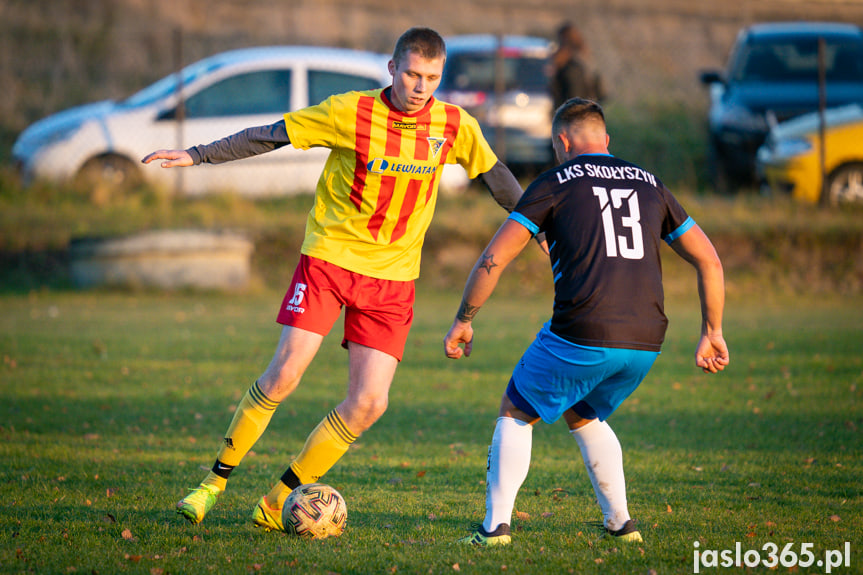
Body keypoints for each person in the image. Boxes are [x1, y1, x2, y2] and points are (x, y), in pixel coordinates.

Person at [142, 27, 535, 532]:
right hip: (330, 260)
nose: (421, 87)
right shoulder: (349, 110)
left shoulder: (453, 123)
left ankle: (275, 501)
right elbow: (271, 134)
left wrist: (534, 224)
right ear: (392, 69)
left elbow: (496, 175)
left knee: (370, 403)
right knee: (283, 375)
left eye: (432, 78)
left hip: (393, 279)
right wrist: (196, 155)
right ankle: (213, 485)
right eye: (412, 74)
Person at [443, 97, 729, 546]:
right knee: (583, 411)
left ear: (562, 141)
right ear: (606, 140)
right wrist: (712, 332)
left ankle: (494, 528)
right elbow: (709, 261)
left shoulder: (555, 181)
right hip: (647, 338)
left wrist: (464, 318)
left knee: (517, 409)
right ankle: (621, 524)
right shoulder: (650, 183)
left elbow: (494, 258)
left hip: (585, 329)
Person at [548, 23, 605, 111]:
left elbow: (574, 95)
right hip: (588, 111)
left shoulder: (571, 67)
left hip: (574, 114)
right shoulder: (585, 59)